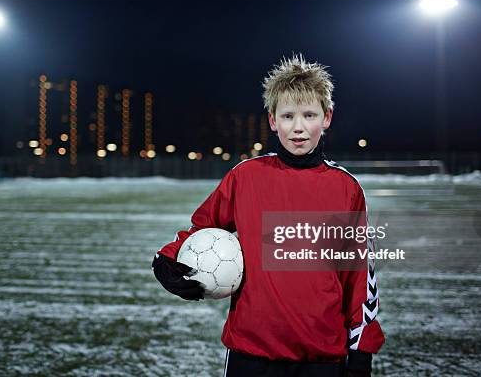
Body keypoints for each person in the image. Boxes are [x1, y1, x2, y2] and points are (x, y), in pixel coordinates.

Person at [152, 54, 385, 376]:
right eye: (288, 116)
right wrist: (166, 260)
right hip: (252, 352)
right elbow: (202, 226)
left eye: (309, 115)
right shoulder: (246, 176)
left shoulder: (345, 188)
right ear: (273, 121)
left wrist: (361, 350)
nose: (299, 127)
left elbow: (359, 275)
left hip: (322, 356)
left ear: (327, 117)